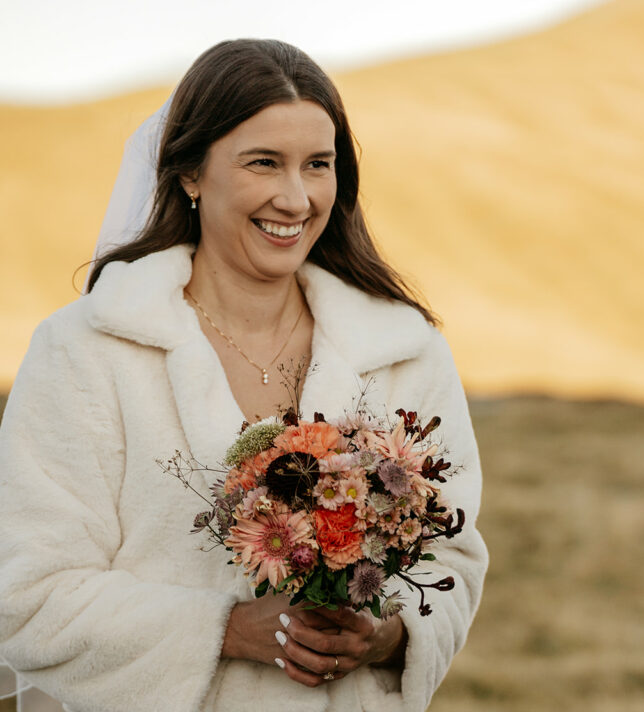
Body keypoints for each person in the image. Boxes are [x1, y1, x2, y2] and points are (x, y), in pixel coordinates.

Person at [0, 39, 487, 712]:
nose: (295, 197)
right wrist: (226, 630)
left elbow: (454, 558)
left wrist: (386, 635)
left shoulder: (405, 351)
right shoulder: (86, 352)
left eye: (318, 165)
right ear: (191, 173)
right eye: (264, 163)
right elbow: (27, 597)